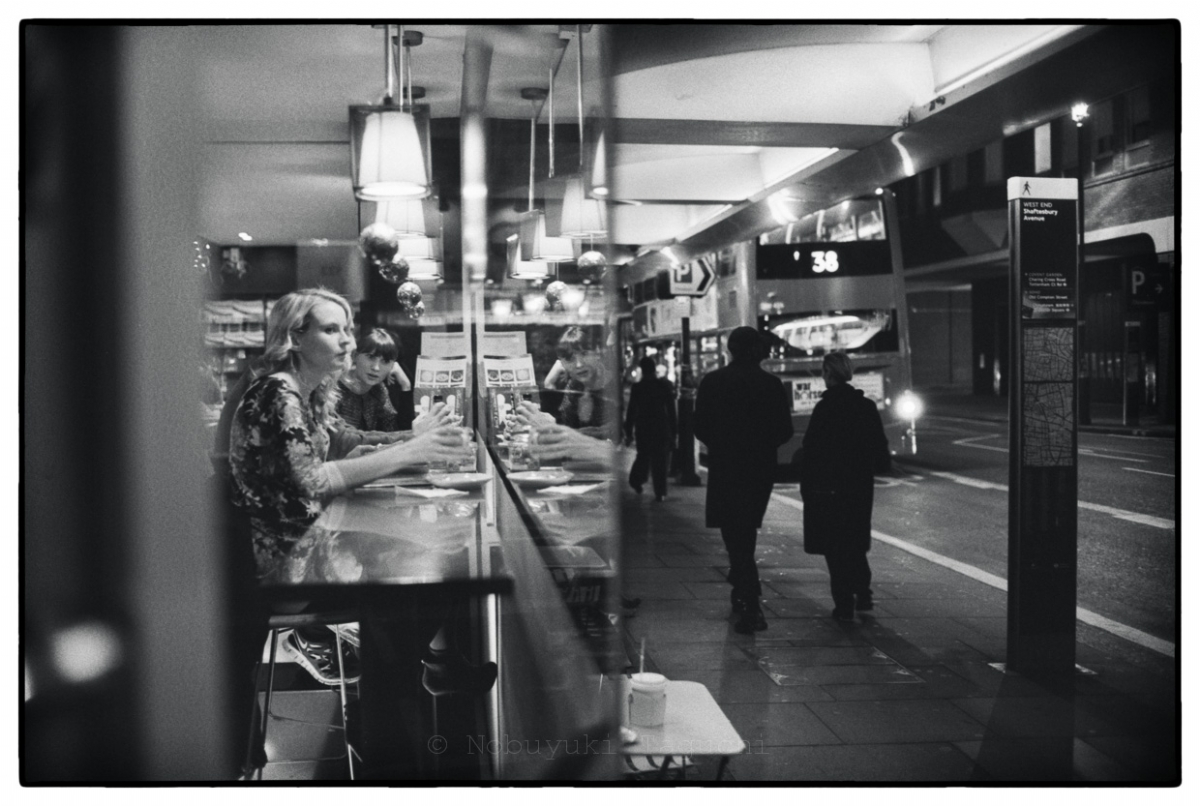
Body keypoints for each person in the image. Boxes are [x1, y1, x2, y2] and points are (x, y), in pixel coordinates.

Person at [694, 326, 793, 634]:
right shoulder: (772, 384)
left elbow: (699, 427)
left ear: (730, 349)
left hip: (726, 466)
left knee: (734, 534)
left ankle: (750, 601)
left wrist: (722, 444)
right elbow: (785, 431)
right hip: (759, 468)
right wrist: (761, 445)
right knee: (745, 531)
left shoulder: (713, 382)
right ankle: (743, 591)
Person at [801, 351, 891, 622]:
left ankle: (843, 603)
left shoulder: (824, 408)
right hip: (859, 485)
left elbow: (811, 449)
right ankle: (863, 591)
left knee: (834, 545)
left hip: (829, 486)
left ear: (828, 374)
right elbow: (880, 448)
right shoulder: (865, 406)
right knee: (855, 539)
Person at [623, 355, 677, 501]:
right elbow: (671, 411)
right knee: (660, 461)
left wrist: (629, 431)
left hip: (644, 427)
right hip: (661, 427)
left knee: (643, 457)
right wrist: (674, 432)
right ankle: (660, 492)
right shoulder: (664, 386)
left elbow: (632, 411)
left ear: (642, 369)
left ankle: (636, 481)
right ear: (654, 369)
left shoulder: (638, 387)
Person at [336, 327, 410, 432]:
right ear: (355, 356)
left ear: (392, 365)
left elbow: (395, 432)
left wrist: (405, 385)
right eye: (370, 357)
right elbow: (340, 440)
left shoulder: (378, 390)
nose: (376, 367)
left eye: (385, 361)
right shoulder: (335, 388)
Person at [554, 326, 619, 441]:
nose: (579, 364)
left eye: (584, 354)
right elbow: (566, 426)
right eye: (570, 359)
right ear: (563, 363)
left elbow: (617, 430)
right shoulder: (574, 386)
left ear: (597, 352)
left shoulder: (617, 384)